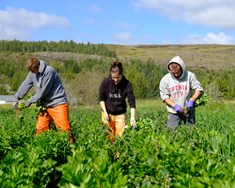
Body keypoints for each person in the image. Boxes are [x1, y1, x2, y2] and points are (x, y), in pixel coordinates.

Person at [12, 57, 74, 142]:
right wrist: (16, 98)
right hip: (44, 105)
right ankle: (42, 147)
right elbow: (25, 85)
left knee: (63, 129)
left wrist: (30, 101)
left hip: (57, 103)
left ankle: (70, 149)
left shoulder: (49, 71)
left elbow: (43, 92)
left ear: (37, 66)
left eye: (32, 70)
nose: (31, 73)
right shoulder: (32, 72)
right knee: (41, 128)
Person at [159, 56, 203, 131]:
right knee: (171, 132)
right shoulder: (165, 79)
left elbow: (198, 89)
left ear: (182, 68)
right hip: (173, 111)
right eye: (173, 73)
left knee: (190, 132)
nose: (176, 75)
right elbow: (164, 96)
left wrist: (192, 100)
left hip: (188, 110)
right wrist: (174, 106)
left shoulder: (189, 76)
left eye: (177, 72)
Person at [99, 61, 137, 142]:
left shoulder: (127, 84)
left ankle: (118, 154)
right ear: (111, 74)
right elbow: (101, 98)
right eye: (113, 77)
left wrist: (132, 117)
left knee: (120, 138)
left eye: (117, 77)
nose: (115, 80)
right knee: (108, 138)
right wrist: (105, 112)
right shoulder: (105, 82)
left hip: (120, 114)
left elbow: (132, 101)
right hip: (107, 113)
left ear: (121, 74)